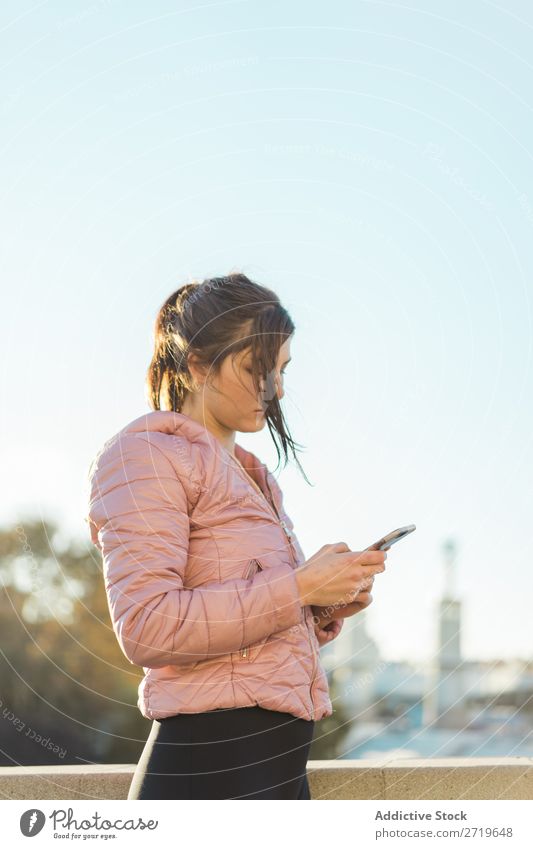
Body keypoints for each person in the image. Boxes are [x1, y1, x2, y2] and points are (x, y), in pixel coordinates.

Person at [85, 272, 387, 800]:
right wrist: (298, 589)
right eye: (257, 367)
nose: (277, 388)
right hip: (211, 769)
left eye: (282, 370)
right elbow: (148, 627)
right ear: (198, 365)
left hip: (279, 769)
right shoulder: (145, 457)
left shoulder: (255, 477)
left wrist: (321, 606)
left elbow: (246, 640)